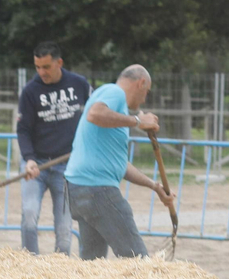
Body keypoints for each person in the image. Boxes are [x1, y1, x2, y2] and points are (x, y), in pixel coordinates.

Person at [64, 64, 176, 259]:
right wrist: (139, 121)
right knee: (137, 260)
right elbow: (95, 114)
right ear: (141, 83)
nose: (144, 99)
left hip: (79, 190)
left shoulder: (115, 108)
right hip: (97, 190)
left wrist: (154, 186)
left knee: (92, 265)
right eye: (146, 92)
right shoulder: (114, 92)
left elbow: (120, 164)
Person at [14, 42, 91, 254]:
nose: (41, 72)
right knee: (29, 216)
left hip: (67, 166)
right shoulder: (30, 91)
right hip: (36, 164)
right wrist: (29, 158)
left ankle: (60, 271)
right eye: (37, 67)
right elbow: (23, 130)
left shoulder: (79, 84)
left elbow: (93, 115)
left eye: (46, 67)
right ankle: (30, 265)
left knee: (65, 228)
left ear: (59, 63)